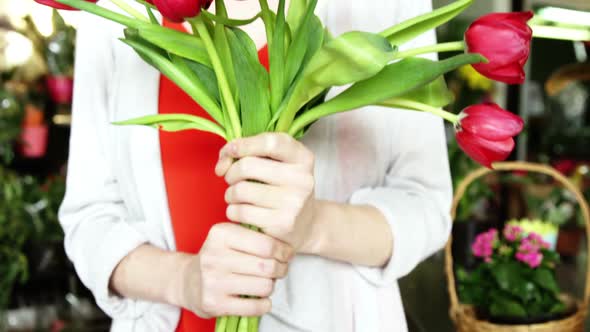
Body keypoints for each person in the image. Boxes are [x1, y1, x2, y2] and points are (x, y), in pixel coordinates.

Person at [58, 0, 452, 331]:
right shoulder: (111, 10)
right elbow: (89, 217)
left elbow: (426, 205)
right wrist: (186, 281)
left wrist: (312, 225)